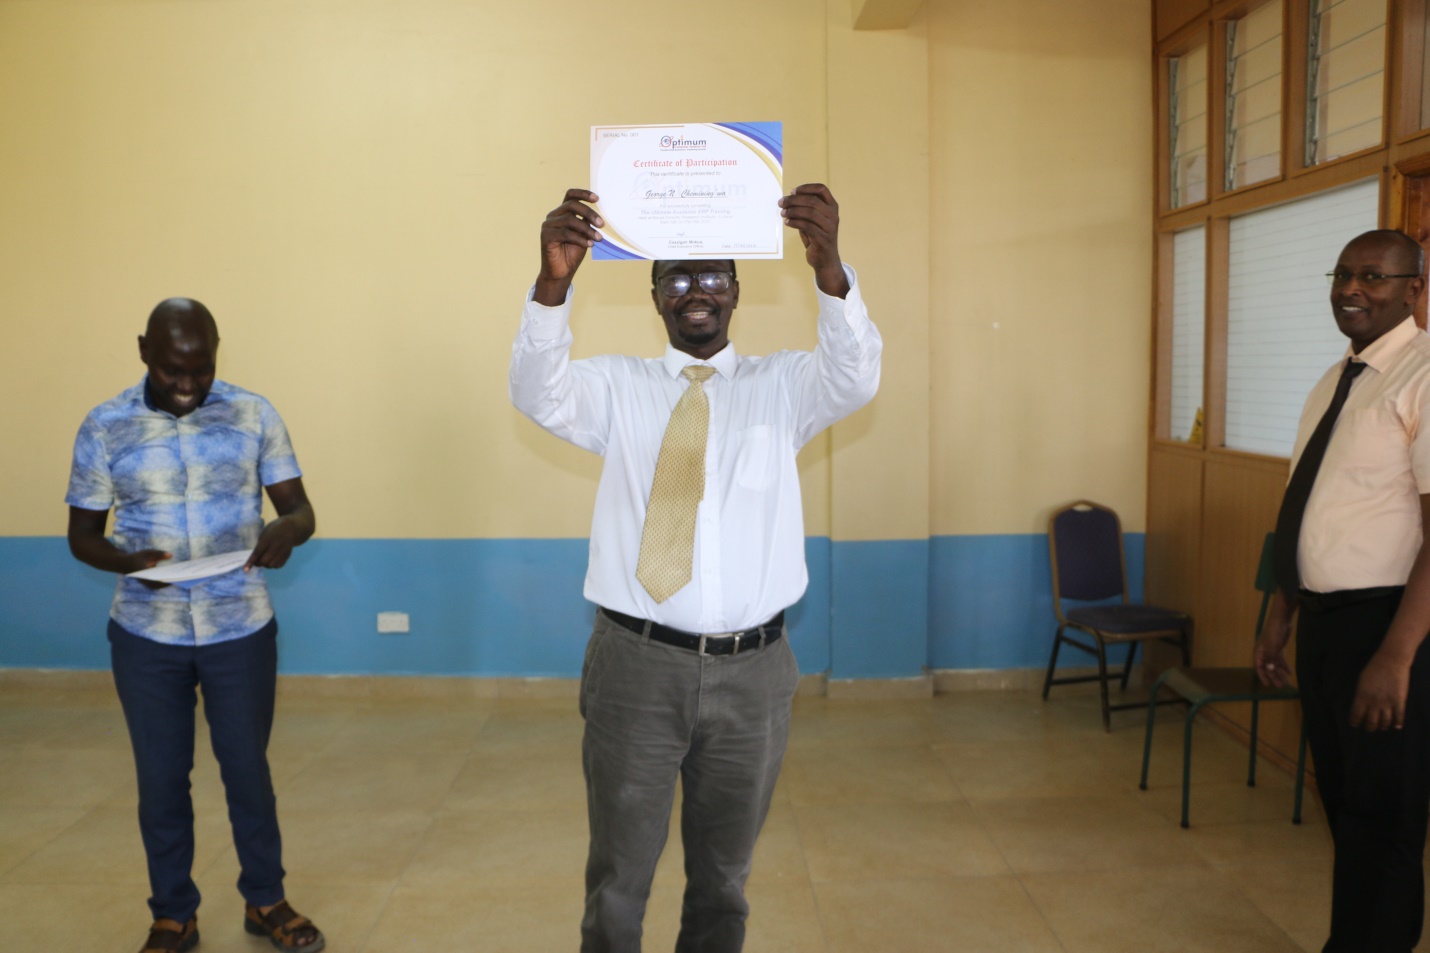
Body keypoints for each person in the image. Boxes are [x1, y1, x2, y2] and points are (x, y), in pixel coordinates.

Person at [510, 184, 881, 952]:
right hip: (636, 667)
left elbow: (856, 378)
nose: (697, 292)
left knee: (723, 879)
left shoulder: (785, 388)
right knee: (619, 875)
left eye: (713, 275)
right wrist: (554, 286)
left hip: (755, 673)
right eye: (677, 278)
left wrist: (830, 267)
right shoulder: (616, 387)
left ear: (738, 290)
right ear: (654, 295)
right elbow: (536, 391)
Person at [66, 299, 324, 953]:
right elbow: (82, 536)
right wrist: (127, 563)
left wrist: (285, 530)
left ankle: (266, 899)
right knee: (160, 777)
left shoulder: (254, 414)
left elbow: (300, 509)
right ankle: (172, 913)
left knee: (247, 770)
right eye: (172, 370)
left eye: (200, 369)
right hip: (146, 633)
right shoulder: (105, 425)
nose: (187, 384)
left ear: (216, 352)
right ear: (143, 351)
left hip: (239, 627)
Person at [1255, 229, 1430, 953]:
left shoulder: (1422, 375)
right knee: (1345, 805)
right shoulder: (1337, 380)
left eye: (1375, 276)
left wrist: (1396, 655)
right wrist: (1280, 608)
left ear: (1414, 292)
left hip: (1391, 627)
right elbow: (1306, 502)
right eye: (1344, 274)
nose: (1352, 288)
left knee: (1387, 821)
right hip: (1325, 624)